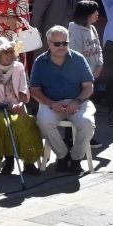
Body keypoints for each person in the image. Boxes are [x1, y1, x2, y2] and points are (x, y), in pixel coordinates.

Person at [29, 25, 94, 175]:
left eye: (65, 43)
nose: (61, 47)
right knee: (43, 121)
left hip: (78, 101)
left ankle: (76, 158)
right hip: (51, 102)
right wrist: (51, 103)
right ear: (49, 43)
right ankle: (62, 155)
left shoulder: (78, 59)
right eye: (57, 44)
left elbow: (88, 87)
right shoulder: (40, 62)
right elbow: (34, 90)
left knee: (87, 123)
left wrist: (77, 101)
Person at [0, 39, 41, 174]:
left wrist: (20, 103)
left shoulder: (18, 67)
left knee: (26, 123)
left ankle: (29, 162)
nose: (11, 54)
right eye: (7, 52)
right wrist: (6, 106)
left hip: (16, 105)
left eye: (12, 51)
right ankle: (9, 159)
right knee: (5, 123)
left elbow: (24, 90)